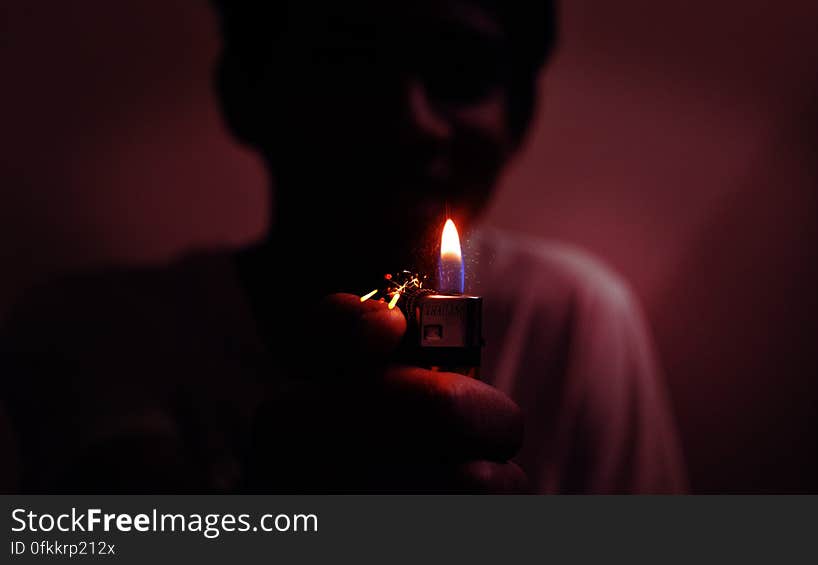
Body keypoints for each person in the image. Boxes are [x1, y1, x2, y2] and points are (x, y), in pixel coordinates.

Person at [0, 0, 685, 493]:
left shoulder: (574, 314)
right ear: (245, 91)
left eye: (458, 67)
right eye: (348, 58)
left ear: (522, 113)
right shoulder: (95, 328)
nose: (409, 118)